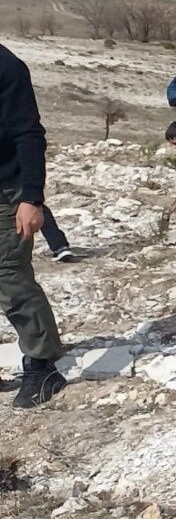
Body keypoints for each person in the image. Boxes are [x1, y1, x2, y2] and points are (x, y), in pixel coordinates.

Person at [0, 42, 67, 408]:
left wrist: (31, 197)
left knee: (11, 277)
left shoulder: (7, 66)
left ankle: (42, 366)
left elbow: (28, 133)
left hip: (6, 191)